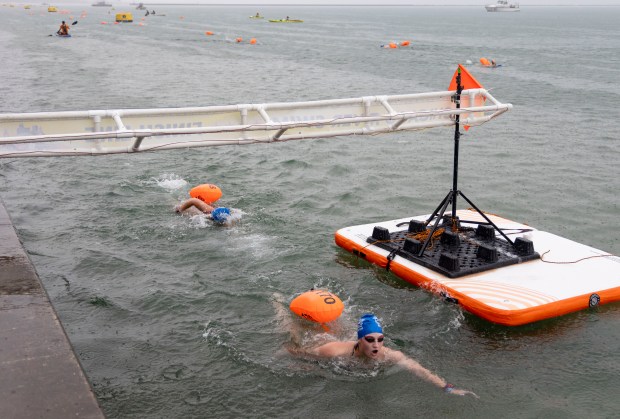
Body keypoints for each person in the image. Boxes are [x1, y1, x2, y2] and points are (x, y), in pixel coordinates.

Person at [292, 313, 478, 397]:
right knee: (303, 332)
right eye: (370, 340)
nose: (376, 345)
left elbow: (419, 370)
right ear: (360, 340)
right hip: (324, 342)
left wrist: (447, 387)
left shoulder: (391, 355)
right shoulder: (333, 351)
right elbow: (299, 352)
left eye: (380, 339)